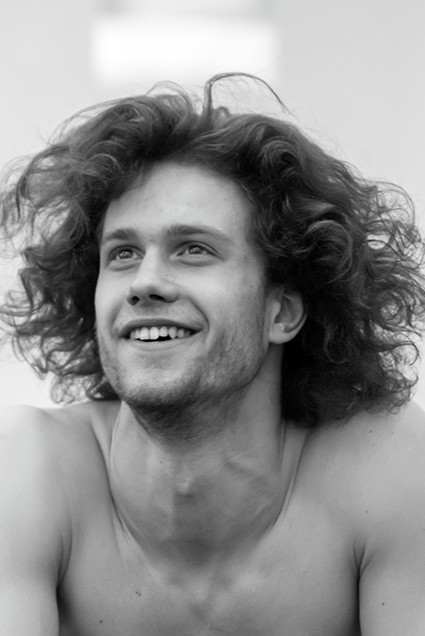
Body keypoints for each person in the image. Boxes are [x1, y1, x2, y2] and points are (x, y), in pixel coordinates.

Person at [1, 72, 425, 636]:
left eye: (193, 249)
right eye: (122, 253)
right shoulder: (27, 467)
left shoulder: (389, 470)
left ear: (282, 312)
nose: (144, 282)